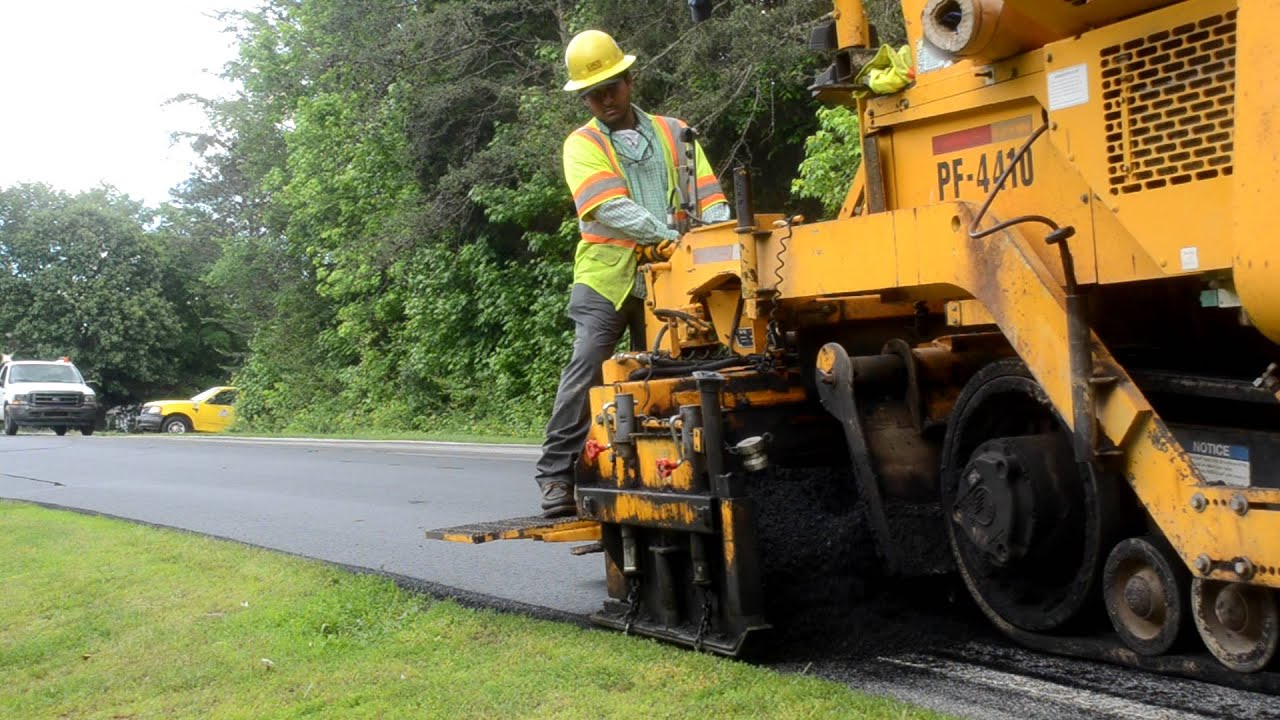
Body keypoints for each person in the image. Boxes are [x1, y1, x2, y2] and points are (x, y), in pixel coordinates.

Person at [536, 30, 731, 517]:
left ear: (630, 80)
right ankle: (556, 474)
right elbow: (605, 208)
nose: (604, 98)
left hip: (675, 274)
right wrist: (661, 232)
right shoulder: (580, 144)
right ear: (583, 96)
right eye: (593, 92)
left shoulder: (674, 132)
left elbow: (711, 198)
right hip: (608, 276)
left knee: (684, 367)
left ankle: (673, 469)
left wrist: (718, 235)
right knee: (590, 363)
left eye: (612, 87)